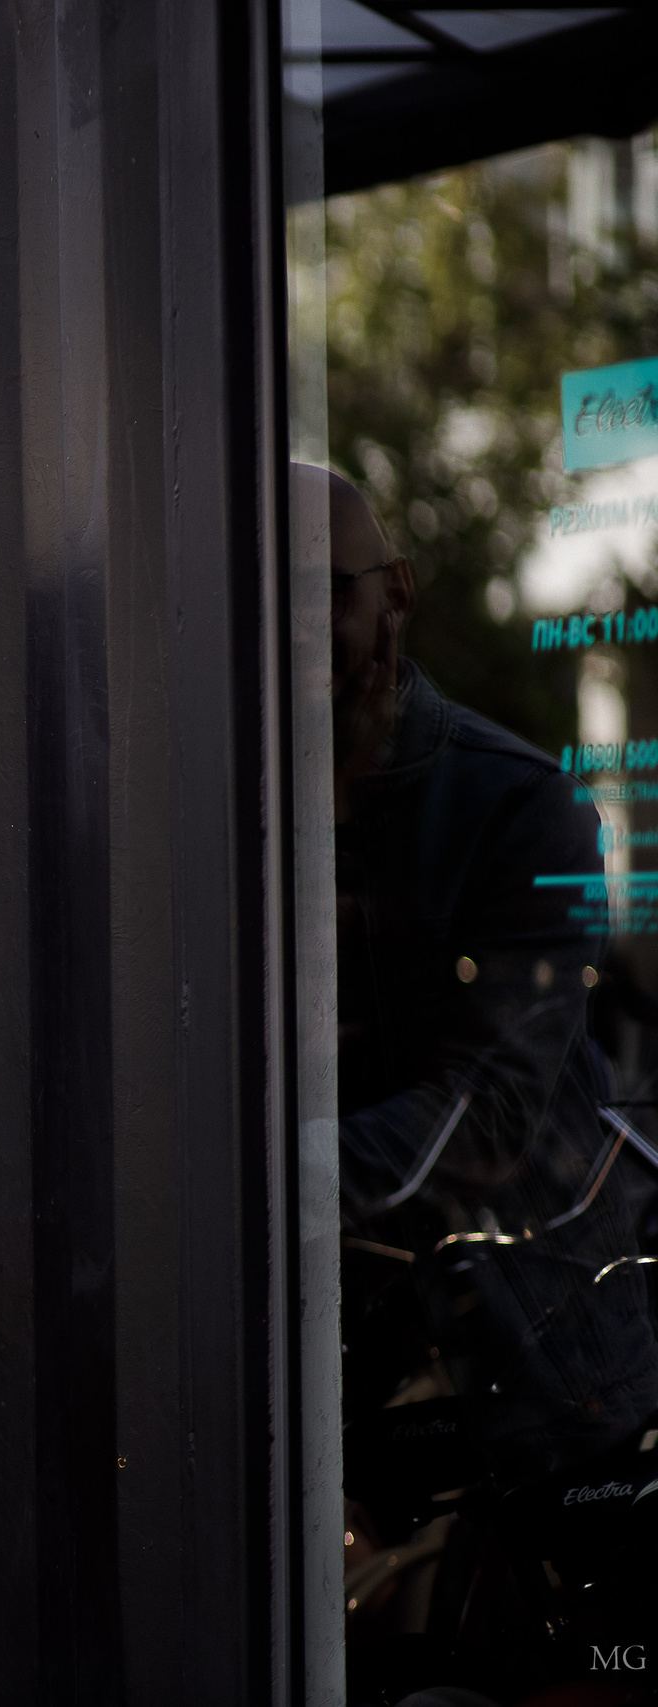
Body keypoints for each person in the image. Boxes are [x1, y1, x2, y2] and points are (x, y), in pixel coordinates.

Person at [303, 464, 658, 1493]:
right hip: (338, 1350)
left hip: (526, 1352)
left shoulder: (518, 803)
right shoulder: (231, 795)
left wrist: (266, 1184)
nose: (291, 625)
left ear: (395, 593)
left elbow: (495, 1108)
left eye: (324, 588)